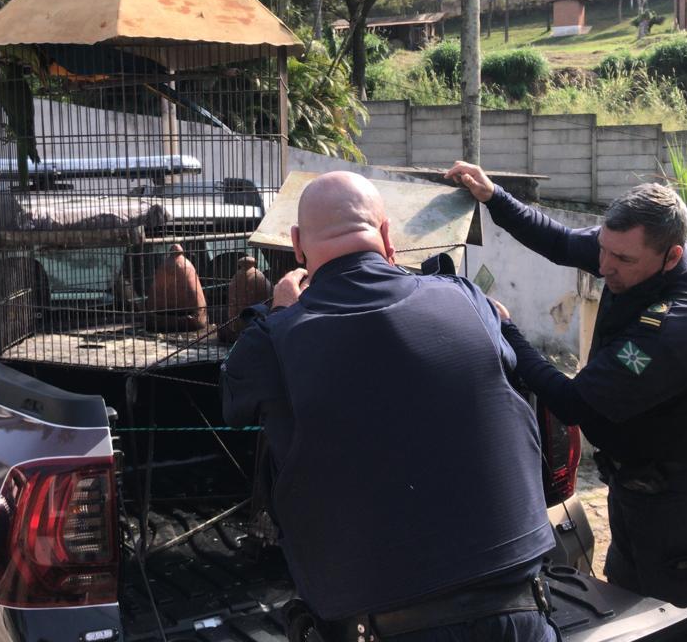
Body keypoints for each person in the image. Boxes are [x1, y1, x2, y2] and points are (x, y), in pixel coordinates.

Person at [222, 171, 559, 642]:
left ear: (297, 247)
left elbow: (233, 402)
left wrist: (280, 312)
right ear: (386, 235)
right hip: (521, 614)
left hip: (381, 627)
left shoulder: (273, 340)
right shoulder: (466, 299)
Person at [445, 162, 687, 642]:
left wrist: (502, 327)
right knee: (628, 599)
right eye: (604, 249)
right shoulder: (643, 248)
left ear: (671, 257)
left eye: (621, 260)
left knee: (681, 616)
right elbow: (562, 242)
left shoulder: (675, 329)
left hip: (681, 490)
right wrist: (494, 196)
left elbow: (573, 403)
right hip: (637, 476)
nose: (604, 267)